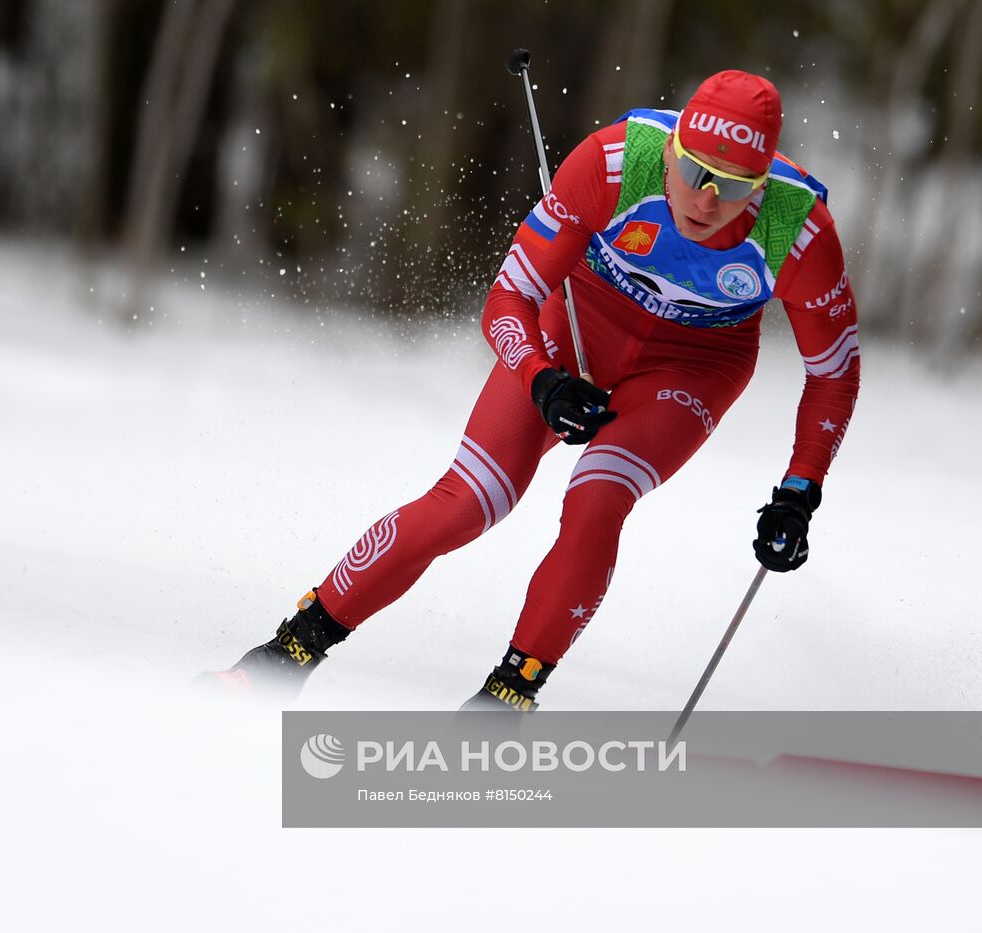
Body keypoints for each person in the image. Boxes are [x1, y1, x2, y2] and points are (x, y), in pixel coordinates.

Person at [205, 70, 860, 710]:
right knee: (469, 500)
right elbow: (509, 296)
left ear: (762, 183)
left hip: (692, 365)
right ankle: (288, 651)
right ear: (671, 150)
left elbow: (834, 371)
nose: (706, 200)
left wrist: (799, 490)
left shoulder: (799, 231)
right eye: (693, 171)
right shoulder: (613, 164)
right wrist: (542, 379)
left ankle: (508, 696)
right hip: (577, 323)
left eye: (733, 185)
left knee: (598, 497)